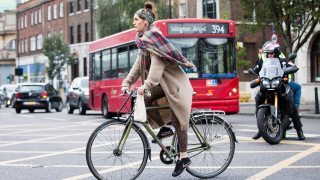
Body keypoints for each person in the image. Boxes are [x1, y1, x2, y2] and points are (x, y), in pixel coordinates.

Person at [121, 2, 195, 177]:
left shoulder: (155, 40)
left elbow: (156, 69)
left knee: (179, 121)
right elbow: (138, 65)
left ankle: (183, 158)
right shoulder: (144, 41)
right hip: (163, 86)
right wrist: (127, 82)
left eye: (136, 19)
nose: (133, 23)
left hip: (175, 86)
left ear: (145, 22)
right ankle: (163, 128)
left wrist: (145, 86)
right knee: (144, 101)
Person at [252, 41, 305, 140]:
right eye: (268, 53)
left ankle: (299, 130)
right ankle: (261, 129)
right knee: (258, 96)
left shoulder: (283, 60)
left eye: (271, 53)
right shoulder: (264, 59)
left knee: (292, 106)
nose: (270, 55)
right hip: (267, 83)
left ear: (276, 53)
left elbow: (292, 65)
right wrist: (254, 72)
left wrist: (292, 68)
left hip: (281, 84)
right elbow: (257, 69)